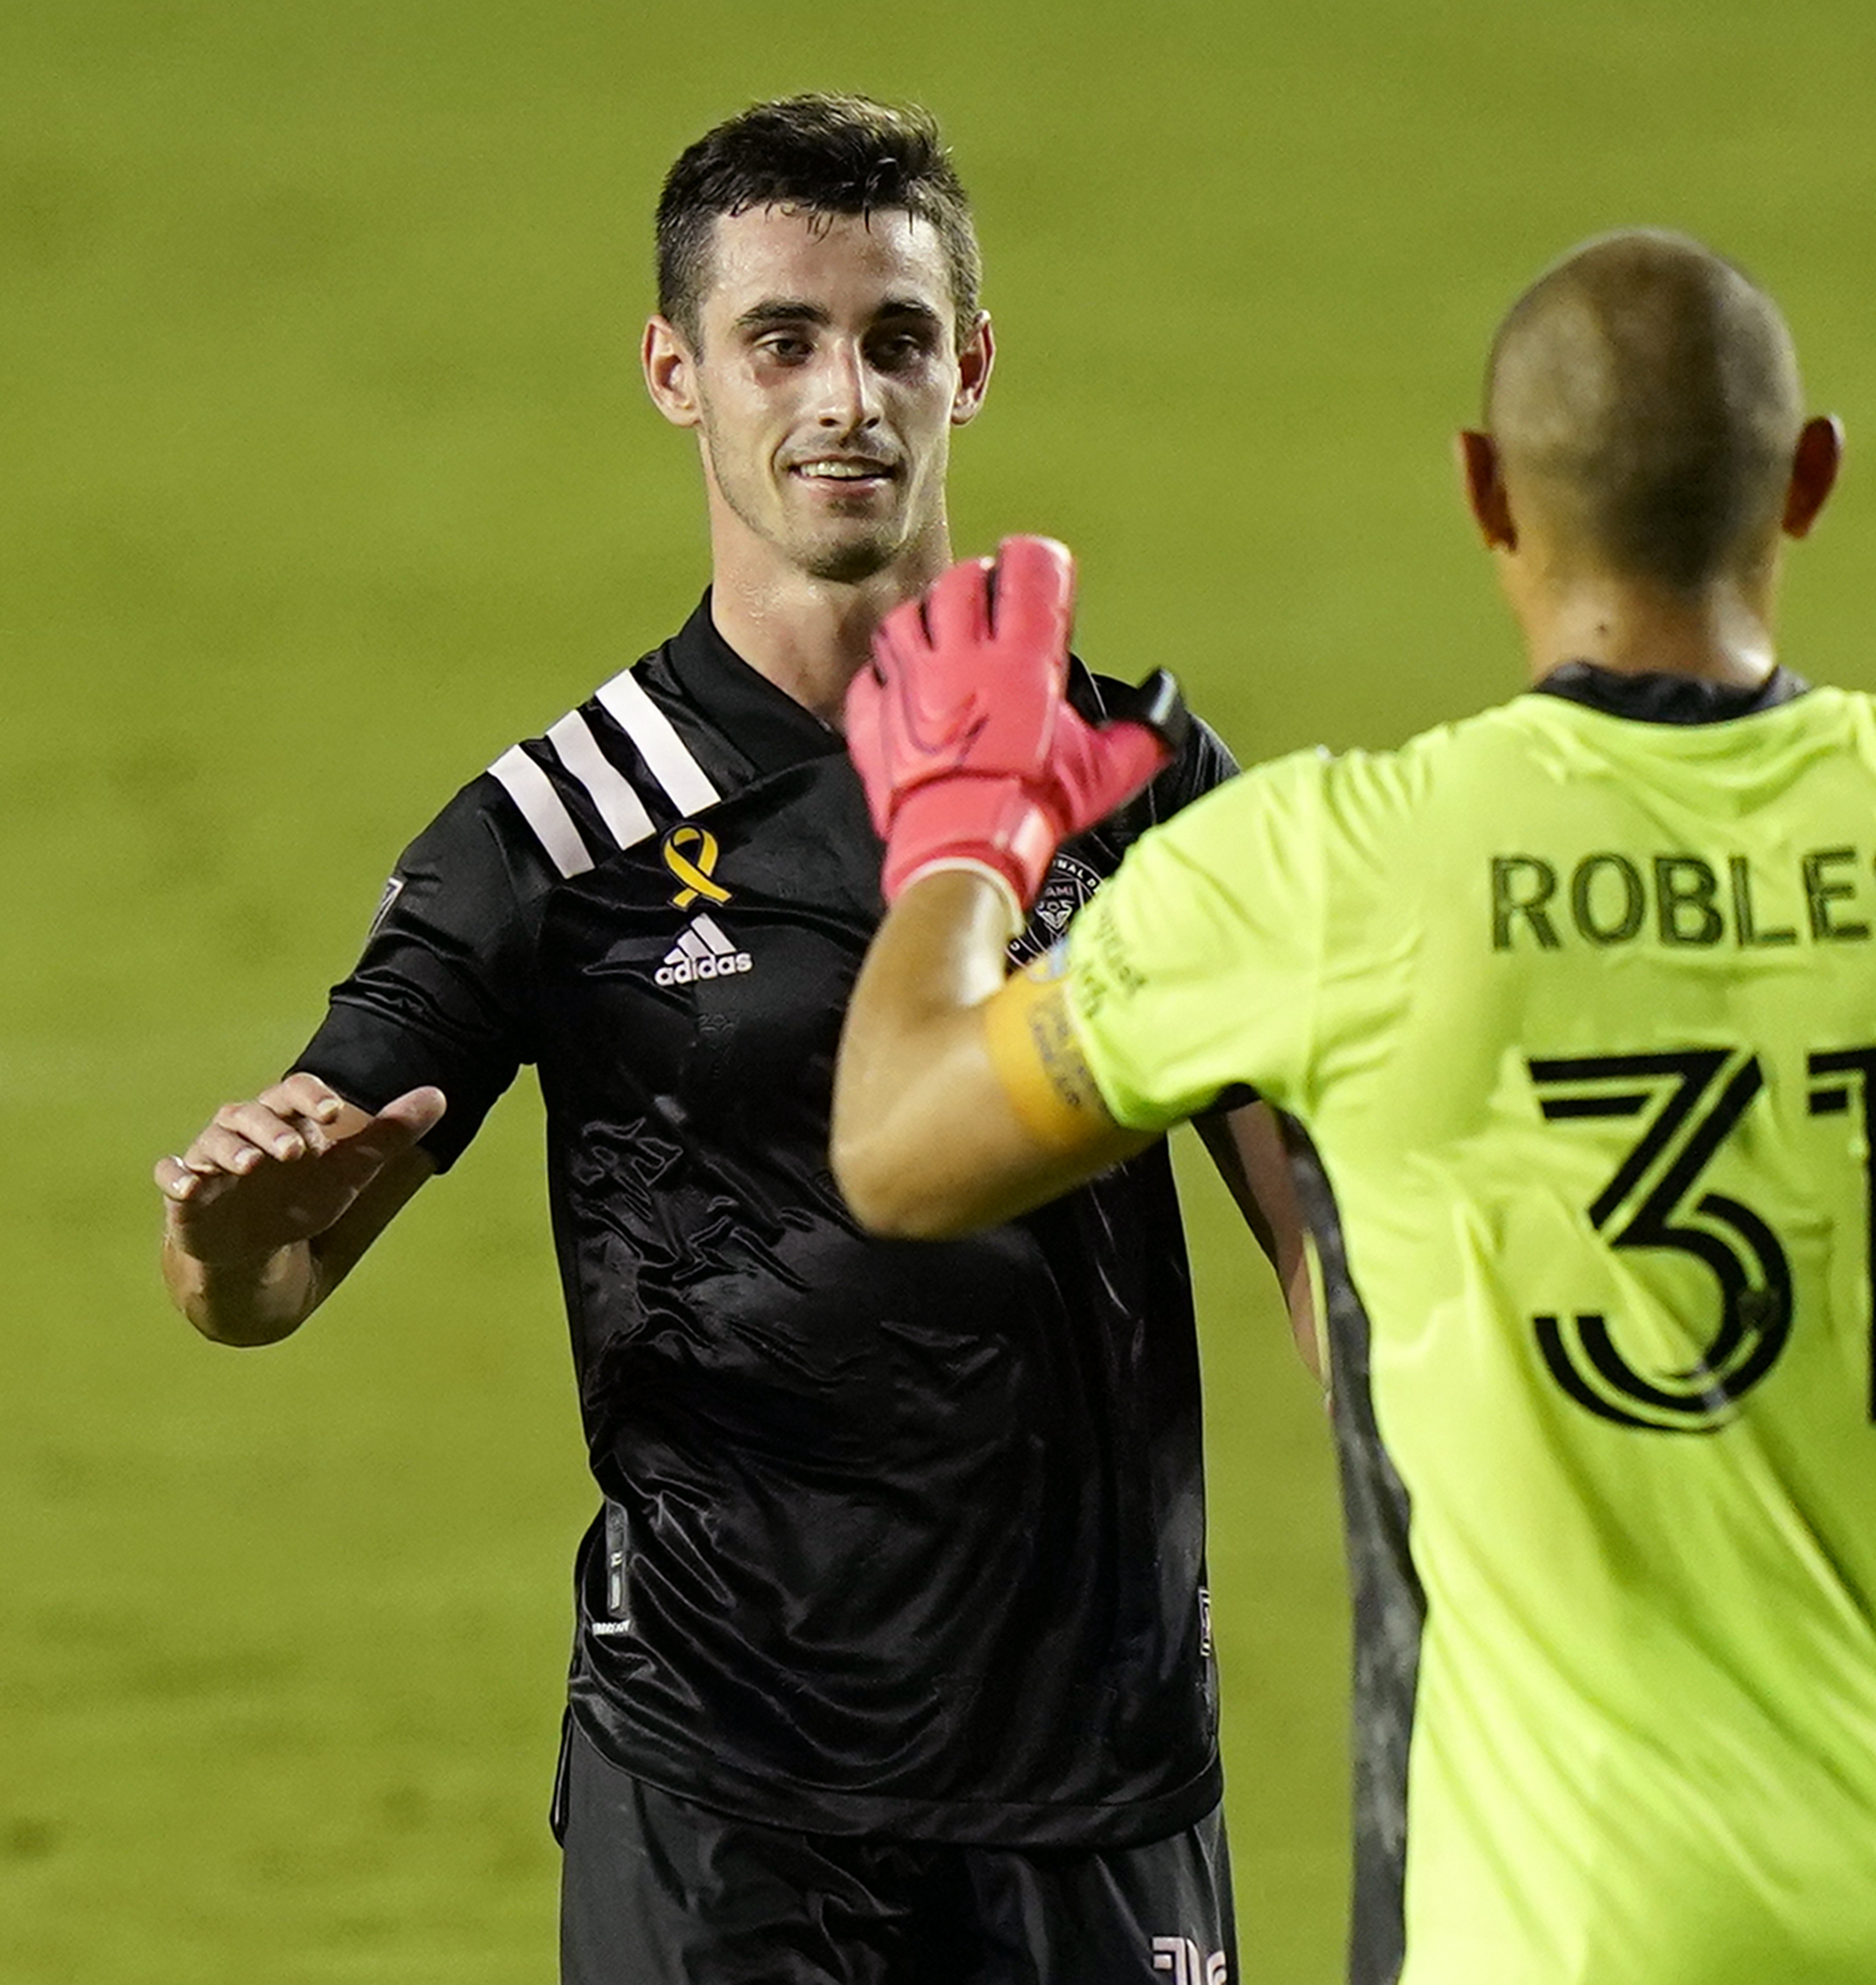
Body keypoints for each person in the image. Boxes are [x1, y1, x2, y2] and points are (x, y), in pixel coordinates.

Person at [820, 230, 1876, 1983]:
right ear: (1807, 481)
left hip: (1554, 1936)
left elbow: (900, 1149)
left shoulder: (1334, 869)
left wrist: (965, 833)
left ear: (1485, 492)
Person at [152, 94, 1307, 1985]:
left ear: (974, 366)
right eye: (782, 341)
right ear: (676, 373)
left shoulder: (1136, 788)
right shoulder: (556, 835)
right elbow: (271, 1270)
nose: (844, 399)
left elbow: (1325, 1235)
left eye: (895, 340)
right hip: (724, 1791)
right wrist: (221, 1235)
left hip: (1094, 1776)